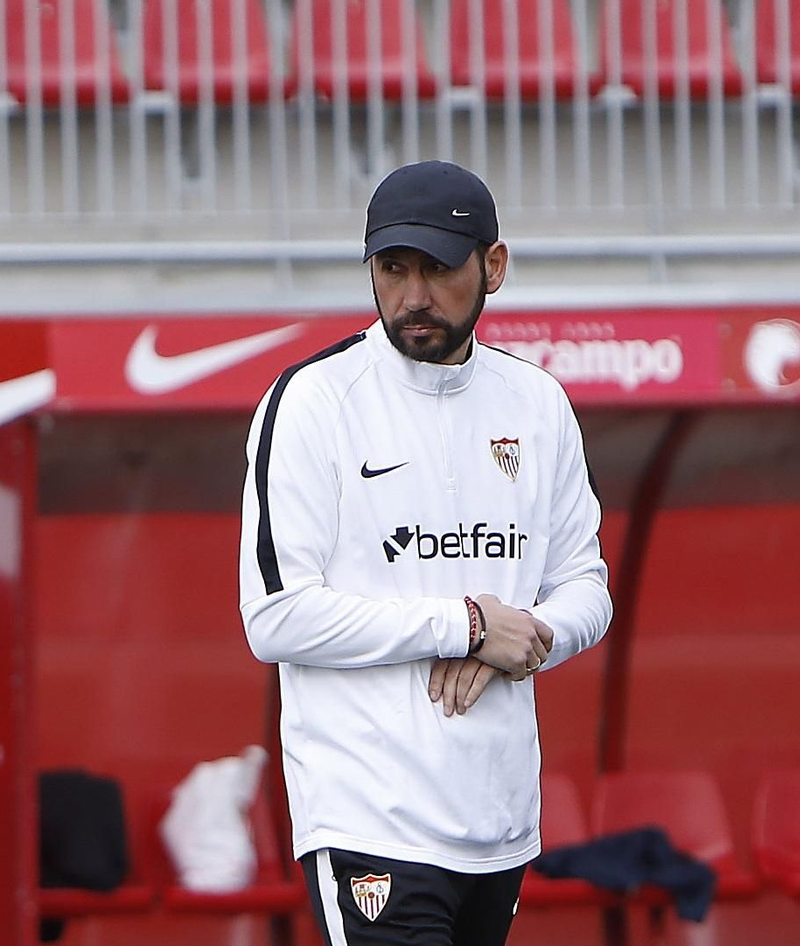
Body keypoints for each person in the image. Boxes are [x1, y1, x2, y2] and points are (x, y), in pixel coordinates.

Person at [238, 160, 612, 945]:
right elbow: (276, 617)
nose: (413, 295)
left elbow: (587, 584)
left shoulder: (537, 403)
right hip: (370, 817)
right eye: (392, 269)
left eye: (438, 269)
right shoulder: (312, 401)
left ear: (494, 267)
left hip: (500, 817)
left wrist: (527, 638)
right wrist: (468, 625)